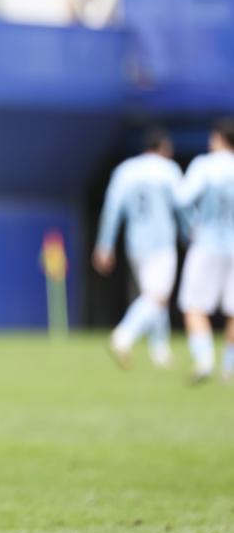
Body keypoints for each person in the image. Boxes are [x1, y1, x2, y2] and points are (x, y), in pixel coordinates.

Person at [91, 127, 182, 369]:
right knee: (157, 296)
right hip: (162, 242)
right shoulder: (168, 170)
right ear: (164, 148)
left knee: (152, 296)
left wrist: (104, 245)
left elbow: (112, 209)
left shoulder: (126, 170)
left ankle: (160, 350)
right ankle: (123, 336)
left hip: (136, 244)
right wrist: (190, 231)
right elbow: (182, 204)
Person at [176, 119, 234, 384]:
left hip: (207, 243)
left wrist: (191, 226)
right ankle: (229, 367)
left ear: (218, 138)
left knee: (193, 305)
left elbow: (182, 199)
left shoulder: (204, 165)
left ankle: (204, 359)